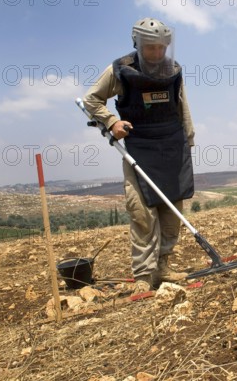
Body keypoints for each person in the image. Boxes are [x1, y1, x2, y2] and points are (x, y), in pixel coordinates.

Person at [82, 17, 194, 292]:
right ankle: (144, 276)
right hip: (139, 147)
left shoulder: (173, 70)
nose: (157, 54)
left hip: (171, 146)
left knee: (172, 211)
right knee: (142, 212)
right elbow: (91, 100)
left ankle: (163, 268)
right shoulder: (120, 70)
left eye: (161, 48)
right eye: (150, 48)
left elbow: (183, 106)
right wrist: (111, 122)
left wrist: (188, 139)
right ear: (137, 44)